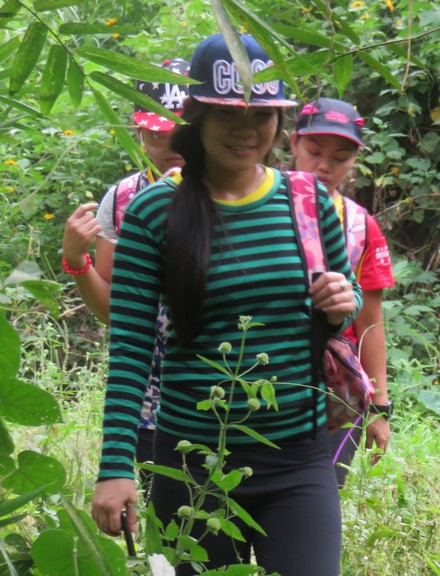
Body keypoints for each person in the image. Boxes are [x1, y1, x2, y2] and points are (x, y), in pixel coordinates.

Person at [90, 33, 361, 576]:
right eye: (227, 114)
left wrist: (341, 302)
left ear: (279, 121)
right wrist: (115, 464)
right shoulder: (153, 212)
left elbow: (345, 302)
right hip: (192, 464)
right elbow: (131, 347)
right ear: (196, 116)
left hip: (299, 458)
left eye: (261, 115)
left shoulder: (307, 200)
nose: (246, 130)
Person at [62, 57, 190, 468]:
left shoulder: (234, 193)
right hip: (148, 398)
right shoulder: (122, 201)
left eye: (183, 132)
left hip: (226, 390)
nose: (172, 148)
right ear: (140, 135)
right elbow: (112, 311)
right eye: (159, 135)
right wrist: (76, 259)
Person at [290, 98, 394, 486]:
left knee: (322, 493)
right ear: (293, 143)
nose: (324, 166)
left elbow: (370, 322)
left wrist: (379, 406)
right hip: (263, 371)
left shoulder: (360, 226)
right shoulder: (256, 205)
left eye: (340, 157)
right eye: (314, 151)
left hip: (335, 384)